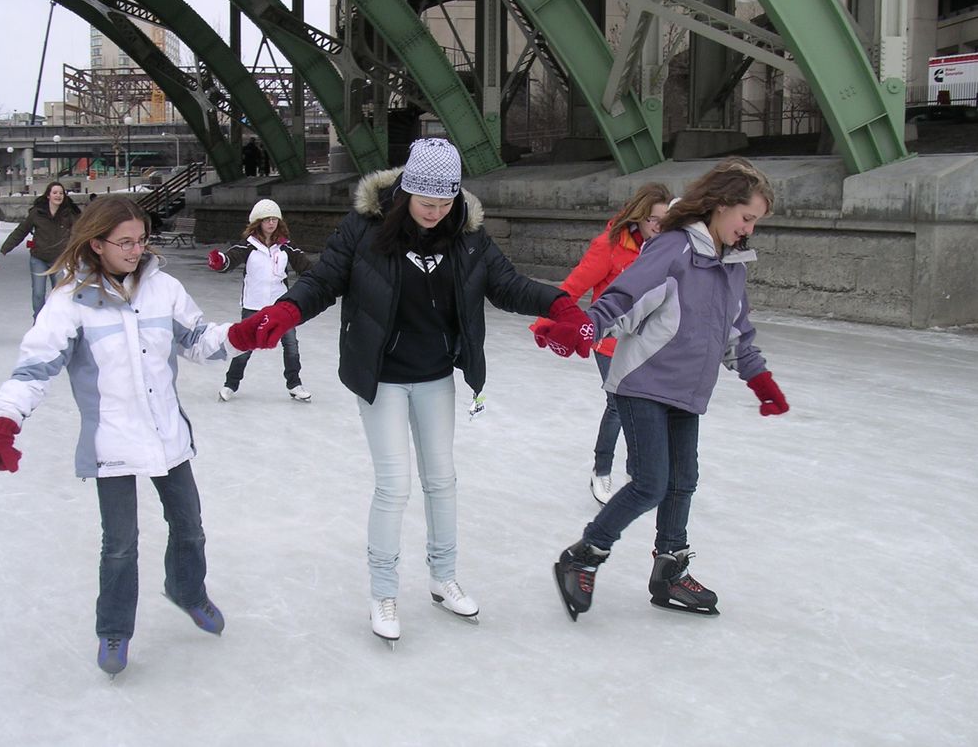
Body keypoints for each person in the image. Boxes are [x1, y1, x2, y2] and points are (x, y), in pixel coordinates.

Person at [230, 138, 585, 646]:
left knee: (442, 480)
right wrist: (283, 312)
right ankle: (384, 591)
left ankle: (443, 578)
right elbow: (323, 281)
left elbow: (507, 284)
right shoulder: (364, 230)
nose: (437, 214)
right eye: (427, 204)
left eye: (446, 204)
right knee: (394, 485)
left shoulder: (466, 234)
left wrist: (560, 304)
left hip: (436, 372)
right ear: (404, 194)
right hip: (382, 377)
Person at [0, 195, 256, 677]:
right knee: (120, 545)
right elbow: (35, 367)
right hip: (111, 444)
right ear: (97, 243)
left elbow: (197, 342)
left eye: (142, 240)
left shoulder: (163, 288)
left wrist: (244, 334)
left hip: (168, 436)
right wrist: (7, 420)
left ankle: (187, 591)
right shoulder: (70, 300)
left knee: (190, 526)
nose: (136, 250)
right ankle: (114, 629)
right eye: (125, 242)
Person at [535, 157, 789, 620]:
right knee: (652, 483)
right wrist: (586, 329)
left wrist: (759, 378)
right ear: (720, 205)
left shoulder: (732, 266)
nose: (749, 229)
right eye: (747, 218)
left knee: (683, 482)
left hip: (688, 391)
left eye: (756, 222)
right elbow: (624, 298)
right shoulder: (673, 249)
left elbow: (736, 332)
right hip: (643, 382)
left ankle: (669, 570)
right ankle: (582, 557)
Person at [531, 182, 672, 505]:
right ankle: (601, 469)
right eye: (654, 221)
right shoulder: (609, 246)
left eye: (666, 221)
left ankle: (638, 474)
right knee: (619, 406)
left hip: (649, 341)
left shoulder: (666, 247)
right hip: (610, 340)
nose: (660, 228)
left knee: (648, 405)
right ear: (638, 218)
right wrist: (546, 322)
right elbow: (573, 286)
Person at [207, 198, 314, 402]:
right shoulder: (248, 245)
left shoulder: (285, 246)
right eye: (267, 220)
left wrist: (323, 276)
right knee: (244, 346)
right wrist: (220, 261)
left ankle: (295, 384)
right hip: (253, 305)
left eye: (274, 219)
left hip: (281, 304)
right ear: (258, 222)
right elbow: (230, 259)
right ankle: (230, 384)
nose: (271, 223)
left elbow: (305, 266)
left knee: (291, 344)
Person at [1, 181, 81, 321]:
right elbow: (22, 230)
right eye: (55, 193)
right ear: (48, 195)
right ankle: (39, 323)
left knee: (60, 294)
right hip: (39, 259)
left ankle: (58, 324)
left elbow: (81, 232)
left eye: (61, 193)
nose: (58, 195)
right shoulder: (37, 213)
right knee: (38, 293)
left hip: (60, 260)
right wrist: (6, 247)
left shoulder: (69, 214)